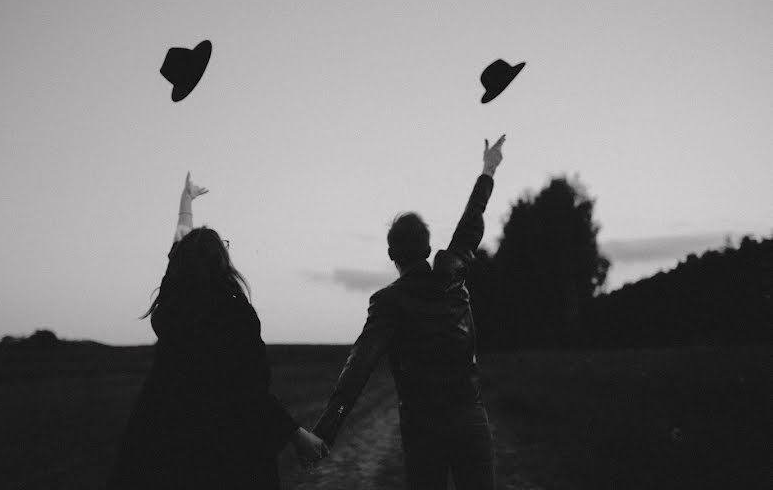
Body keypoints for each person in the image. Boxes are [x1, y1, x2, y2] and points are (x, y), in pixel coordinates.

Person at [107, 172, 328, 489]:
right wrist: (297, 435)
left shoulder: (172, 309)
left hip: (163, 450)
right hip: (226, 455)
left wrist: (186, 203)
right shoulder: (234, 313)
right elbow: (250, 392)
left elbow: (178, 255)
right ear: (221, 261)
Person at [312, 135, 506, 490]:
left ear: (391, 255)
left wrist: (325, 431)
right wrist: (489, 168)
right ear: (429, 247)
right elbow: (472, 219)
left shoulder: (387, 303)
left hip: (424, 430)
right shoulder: (456, 270)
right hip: (470, 419)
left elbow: (359, 367)